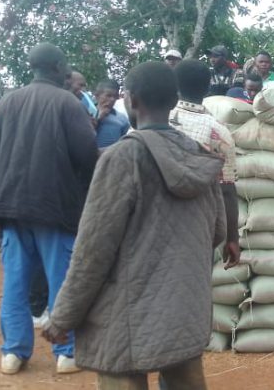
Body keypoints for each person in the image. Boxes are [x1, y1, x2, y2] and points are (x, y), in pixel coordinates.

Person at [43, 61, 226, 390]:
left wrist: (63, 317)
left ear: (131, 100)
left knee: (120, 375)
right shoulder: (200, 157)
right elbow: (216, 232)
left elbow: (92, 252)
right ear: (173, 102)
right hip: (184, 310)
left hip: (126, 319)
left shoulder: (122, 158)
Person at [0, 43, 99, 375]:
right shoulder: (68, 103)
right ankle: (66, 353)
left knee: (15, 284)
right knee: (61, 282)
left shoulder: (6, 102)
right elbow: (88, 157)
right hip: (55, 209)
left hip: (11, 208)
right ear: (59, 66)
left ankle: (13, 354)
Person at [168, 59, 241, 270]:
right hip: (199, 226)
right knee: (195, 289)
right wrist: (232, 239)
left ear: (174, 85)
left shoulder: (157, 119)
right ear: (208, 87)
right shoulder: (219, 132)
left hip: (154, 222)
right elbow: (227, 190)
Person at [93, 80, 130, 150]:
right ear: (97, 96)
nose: (112, 99)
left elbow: (122, 141)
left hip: (112, 158)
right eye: (108, 95)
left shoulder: (122, 119)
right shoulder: (87, 113)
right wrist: (98, 118)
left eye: (115, 96)